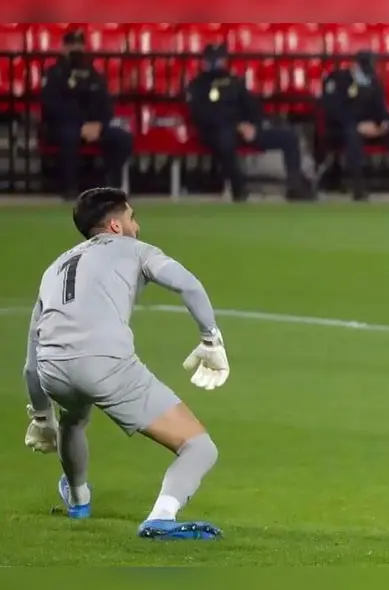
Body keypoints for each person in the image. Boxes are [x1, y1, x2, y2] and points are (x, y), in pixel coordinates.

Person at [22, 187, 231, 540]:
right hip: (106, 364)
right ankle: (162, 518)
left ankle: (78, 499)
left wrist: (42, 417)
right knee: (199, 447)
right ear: (116, 225)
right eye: (132, 217)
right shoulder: (137, 250)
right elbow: (188, 284)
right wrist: (211, 338)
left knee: (72, 420)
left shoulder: (55, 267)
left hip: (52, 368)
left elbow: (31, 356)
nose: (137, 226)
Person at [186, 43, 312, 201]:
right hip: (217, 132)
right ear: (205, 62)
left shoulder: (235, 82)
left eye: (221, 59)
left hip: (245, 131)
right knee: (225, 139)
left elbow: (253, 108)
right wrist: (236, 125)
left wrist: (252, 125)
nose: (219, 64)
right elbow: (203, 116)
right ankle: (238, 189)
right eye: (215, 60)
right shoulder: (198, 86)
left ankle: (295, 186)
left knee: (289, 137)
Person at [40, 29, 133, 201]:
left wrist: (99, 124)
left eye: (79, 44)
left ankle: (111, 186)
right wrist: (80, 125)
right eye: (71, 45)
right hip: (64, 124)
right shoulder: (54, 74)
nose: (76, 48)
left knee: (122, 138)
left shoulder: (94, 74)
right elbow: (52, 106)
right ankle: (69, 188)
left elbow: (105, 105)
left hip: (94, 126)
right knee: (68, 137)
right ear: (64, 48)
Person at [320, 51, 389, 201]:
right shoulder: (340, 79)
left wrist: (383, 124)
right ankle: (358, 186)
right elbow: (334, 110)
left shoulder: (373, 81)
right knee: (352, 137)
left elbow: (381, 108)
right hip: (347, 129)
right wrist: (357, 126)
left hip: (373, 129)